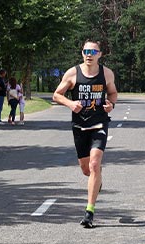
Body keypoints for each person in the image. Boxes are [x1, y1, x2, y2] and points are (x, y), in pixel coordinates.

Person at [53, 40, 118, 228]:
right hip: (79, 125)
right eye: (86, 51)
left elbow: (113, 93)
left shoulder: (106, 74)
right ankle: (97, 181)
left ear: (100, 54)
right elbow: (57, 95)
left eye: (93, 51)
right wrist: (70, 104)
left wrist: (111, 104)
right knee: (86, 169)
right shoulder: (72, 73)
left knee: (95, 164)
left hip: (99, 123)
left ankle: (89, 212)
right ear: (82, 53)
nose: (89, 55)